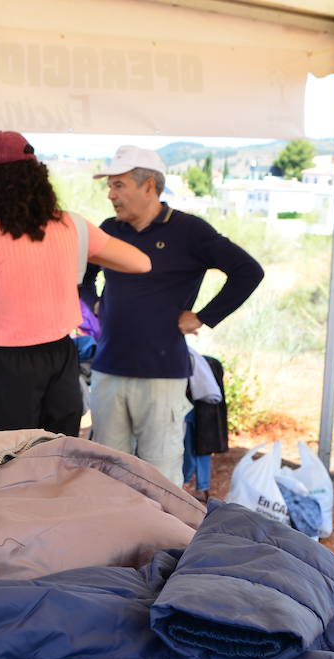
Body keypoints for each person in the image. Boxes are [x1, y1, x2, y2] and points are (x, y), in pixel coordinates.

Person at [0, 131, 150, 437]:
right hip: (60, 355)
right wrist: (66, 260)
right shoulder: (71, 224)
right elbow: (140, 262)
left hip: (5, 363)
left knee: (0, 462)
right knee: (56, 456)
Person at [84, 145, 264, 486]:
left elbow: (247, 271)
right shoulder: (110, 229)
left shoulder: (189, 231)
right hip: (108, 370)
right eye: (110, 186)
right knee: (107, 471)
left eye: (118, 185)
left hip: (162, 375)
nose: (111, 195)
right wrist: (93, 303)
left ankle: (162, 540)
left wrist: (203, 317)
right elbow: (83, 274)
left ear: (149, 186)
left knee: (160, 474)